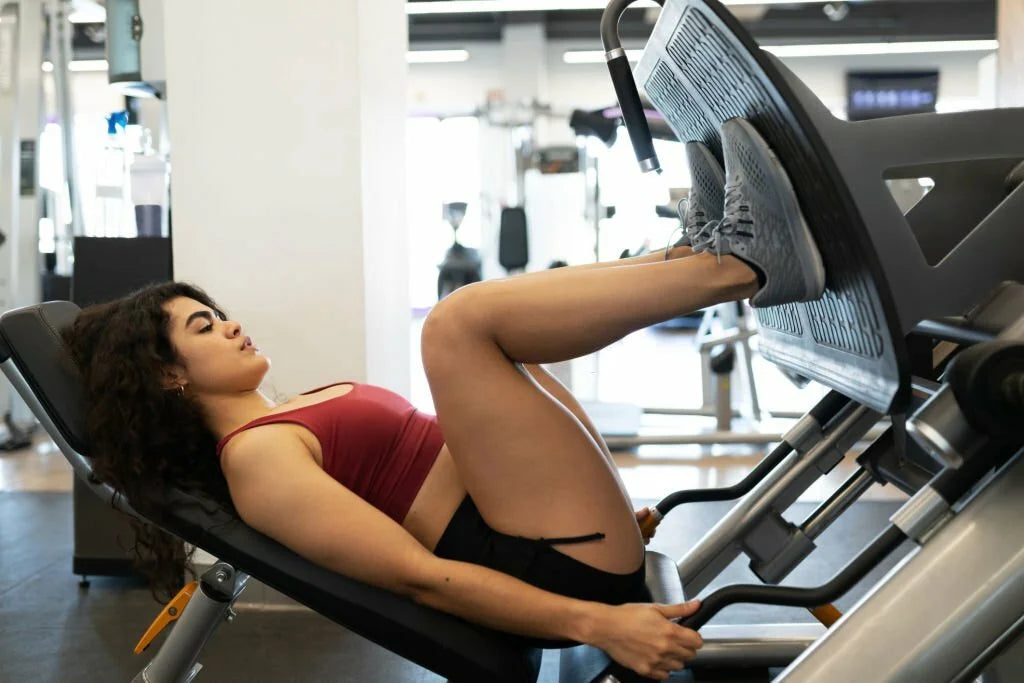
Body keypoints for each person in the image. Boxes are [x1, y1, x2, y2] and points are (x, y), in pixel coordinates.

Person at [62, 118, 824, 681]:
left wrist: (578, 485)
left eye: (216, 310)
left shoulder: (286, 414)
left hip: (558, 530)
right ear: (169, 376)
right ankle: (737, 267)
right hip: (554, 570)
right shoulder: (258, 459)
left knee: (481, 337)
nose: (230, 323)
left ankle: (699, 254)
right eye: (203, 325)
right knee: (457, 323)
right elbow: (414, 574)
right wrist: (601, 623)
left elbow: (474, 441)